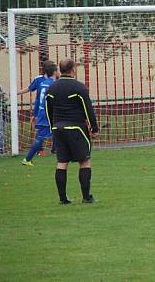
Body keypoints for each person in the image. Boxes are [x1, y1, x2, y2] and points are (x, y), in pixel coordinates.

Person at [45, 59, 99, 204]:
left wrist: (53, 128)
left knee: (62, 162)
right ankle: (86, 197)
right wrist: (94, 128)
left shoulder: (51, 88)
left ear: (60, 70)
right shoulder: (79, 87)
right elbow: (89, 109)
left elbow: (49, 111)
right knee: (84, 161)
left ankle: (63, 199)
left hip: (58, 129)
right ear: (73, 69)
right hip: (76, 129)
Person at [22, 60, 58, 165]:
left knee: (57, 133)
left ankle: (63, 154)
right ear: (55, 72)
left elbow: (39, 100)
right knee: (41, 137)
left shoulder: (43, 83)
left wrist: (36, 113)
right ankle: (27, 159)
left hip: (44, 113)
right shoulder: (53, 84)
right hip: (48, 114)